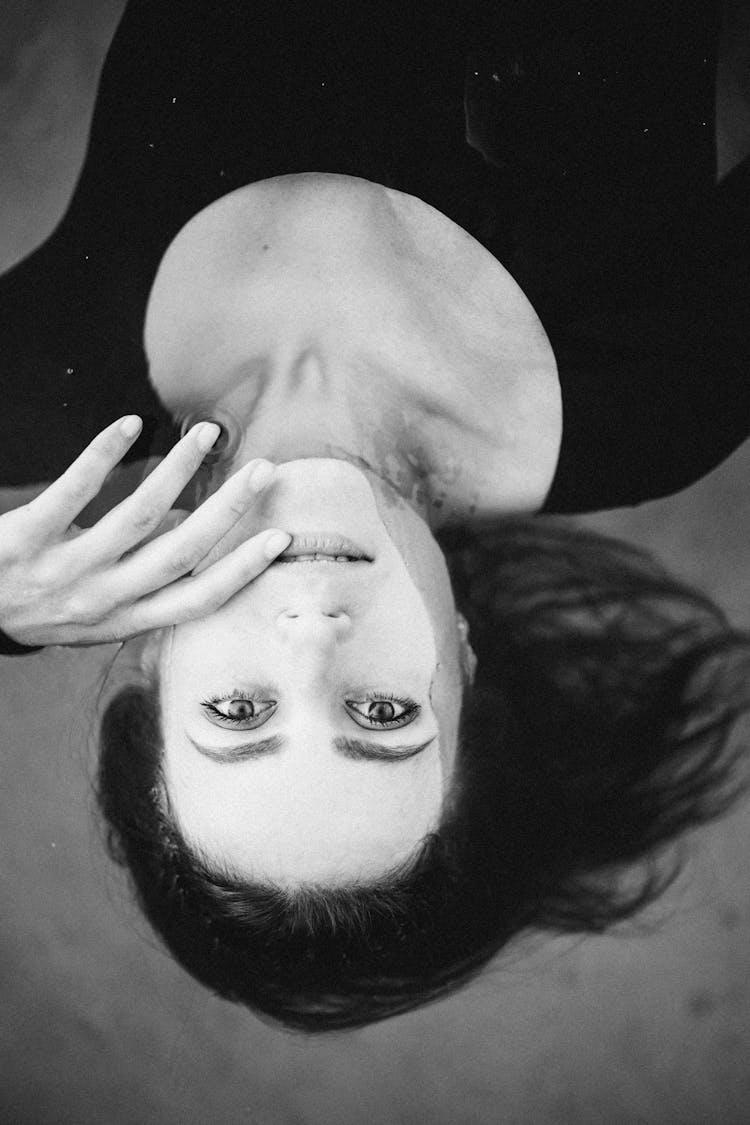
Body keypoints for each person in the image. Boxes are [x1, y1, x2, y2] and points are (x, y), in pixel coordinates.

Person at [1, 0, 749, 1031]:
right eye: (384, 716)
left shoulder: (40, 391)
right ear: (463, 659)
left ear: (149, 661)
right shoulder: (660, 405)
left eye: (240, 713)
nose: (313, 644)